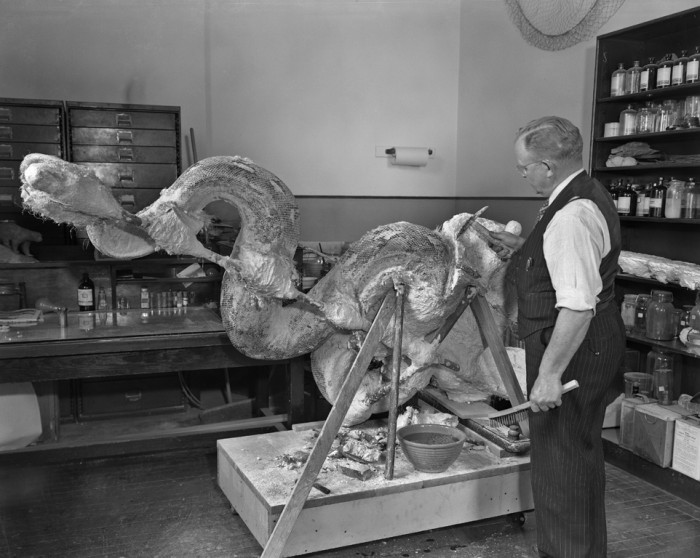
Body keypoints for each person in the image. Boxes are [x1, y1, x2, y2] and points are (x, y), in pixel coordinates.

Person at [489, 116, 625, 558]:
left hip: (573, 349)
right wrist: (525, 246)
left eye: (524, 167)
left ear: (547, 166)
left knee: (562, 463)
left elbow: (577, 305)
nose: (522, 174)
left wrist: (549, 375)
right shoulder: (580, 194)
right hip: (581, 341)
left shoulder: (571, 215)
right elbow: (566, 264)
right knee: (574, 454)